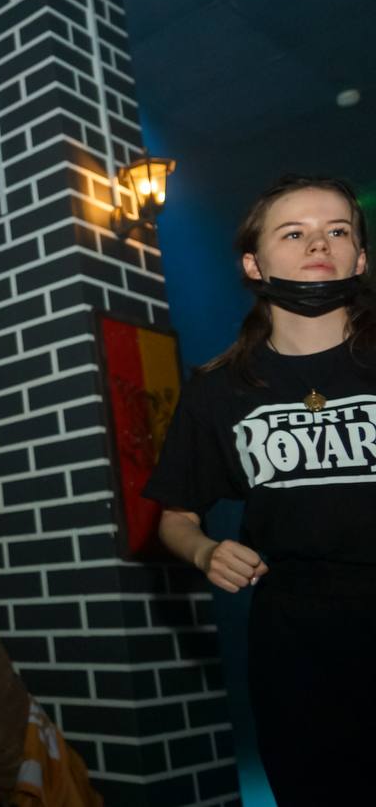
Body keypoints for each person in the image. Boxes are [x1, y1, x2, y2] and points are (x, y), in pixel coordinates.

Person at [145, 175, 376, 805]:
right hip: (297, 648)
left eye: (337, 230)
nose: (318, 243)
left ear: (359, 257)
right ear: (253, 263)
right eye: (293, 233)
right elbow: (175, 516)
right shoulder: (220, 388)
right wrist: (205, 551)